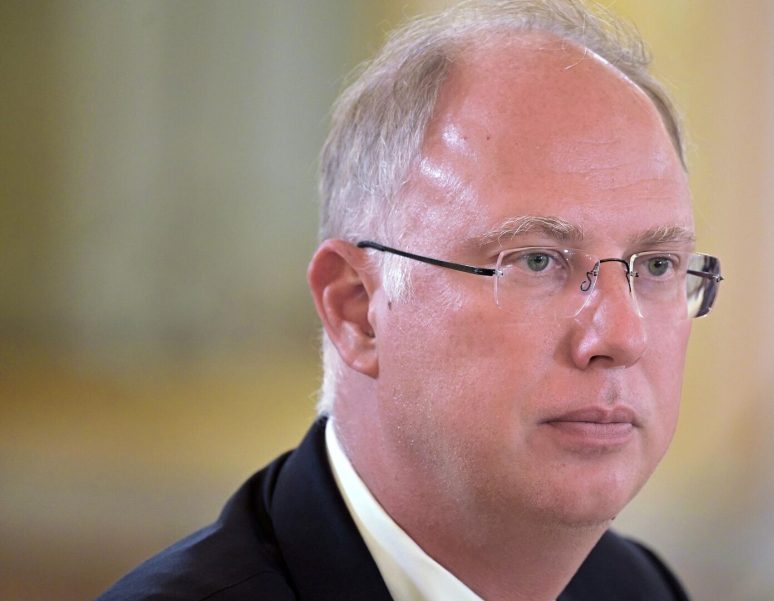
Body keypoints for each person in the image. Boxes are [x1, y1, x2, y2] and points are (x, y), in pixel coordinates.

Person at [99, 0, 722, 599]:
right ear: (357, 309)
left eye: (657, 266)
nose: (622, 336)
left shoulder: (639, 589)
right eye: (536, 260)